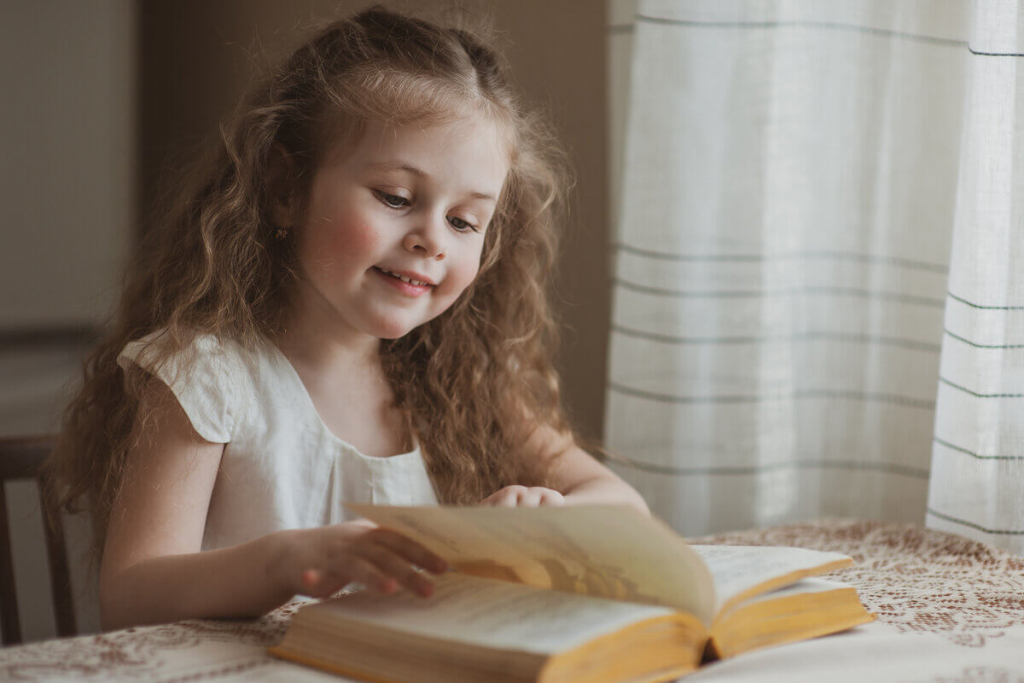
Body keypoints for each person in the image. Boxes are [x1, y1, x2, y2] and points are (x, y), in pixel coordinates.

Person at [42, 5, 649, 631]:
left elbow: (624, 509)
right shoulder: (206, 378)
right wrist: (291, 561)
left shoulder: (459, 382)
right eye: (396, 198)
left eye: (464, 221)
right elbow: (132, 591)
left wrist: (546, 518)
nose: (432, 241)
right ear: (285, 186)